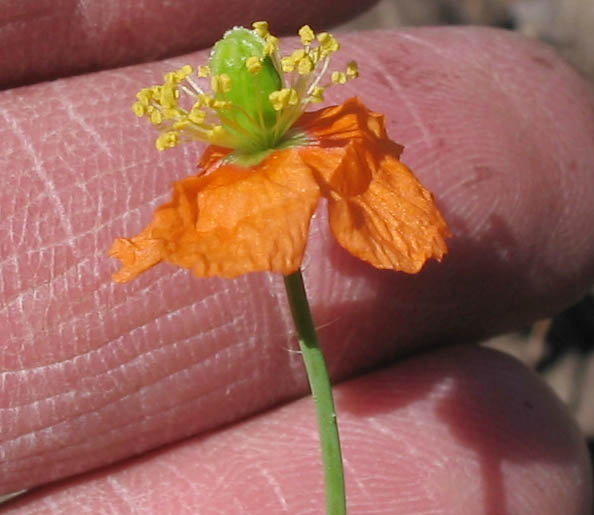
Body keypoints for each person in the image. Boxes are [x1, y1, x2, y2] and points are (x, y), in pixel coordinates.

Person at [1, 1, 592, 512]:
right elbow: (180, 235)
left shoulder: (339, 134)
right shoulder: (223, 173)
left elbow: (402, 226)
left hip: (305, 143)